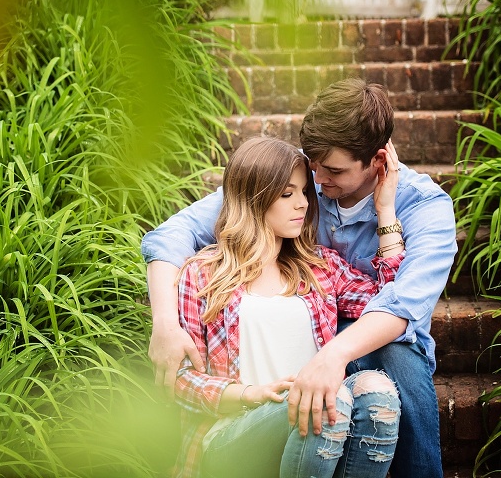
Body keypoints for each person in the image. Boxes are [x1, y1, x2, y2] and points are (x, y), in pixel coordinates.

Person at [143, 78, 457, 478]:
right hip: (244, 411)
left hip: (373, 335)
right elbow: (171, 235)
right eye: (311, 169)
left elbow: (398, 303)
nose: (315, 188)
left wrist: (386, 215)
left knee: (392, 366)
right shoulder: (285, 185)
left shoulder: (419, 209)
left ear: (377, 162)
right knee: (335, 408)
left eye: (332, 171)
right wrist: (165, 325)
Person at [174, 136, 404, 478]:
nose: (303, 204)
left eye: (303, 193)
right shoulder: (203, 273)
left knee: (378, 393)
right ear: (252, 198)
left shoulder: (321, 267)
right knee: (329, 401)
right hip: (232, 434)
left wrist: (385, 210)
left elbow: (392, 303)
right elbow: (179, 381)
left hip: (317, 424)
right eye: (287, 194)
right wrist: (250, 395)